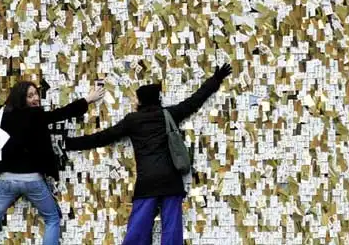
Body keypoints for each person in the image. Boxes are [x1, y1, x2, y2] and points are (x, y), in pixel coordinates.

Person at [65, 64, 233, 245]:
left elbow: (103, 137)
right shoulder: (169, 114)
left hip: (147, 182)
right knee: (172, 231)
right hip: (171, 180)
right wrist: (215, 80)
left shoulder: (132, 121)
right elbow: (194, 101)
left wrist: (70, 143)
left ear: (141, 101)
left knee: (138, 231)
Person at [0, 80, 105, 245]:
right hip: (33, 180)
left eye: (36, 94)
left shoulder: (4, 113)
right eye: (30, 95)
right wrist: (88, 99)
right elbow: (63, 112)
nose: (35, 98)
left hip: (7, 180)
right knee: (52, 218)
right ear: (21, 97)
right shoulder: (37, 115)